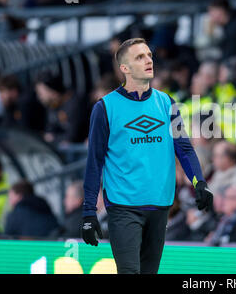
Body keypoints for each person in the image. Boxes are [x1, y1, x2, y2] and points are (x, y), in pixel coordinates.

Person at [81, 38, 213, 274]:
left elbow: (184, 148)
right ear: (125, 68)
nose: (149, 60)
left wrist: (199, 182)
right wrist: (89, 211)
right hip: (123, 207)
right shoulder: (105, 108)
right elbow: (95, 163)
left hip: (160, 205)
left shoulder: (166, 103)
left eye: (150, 55)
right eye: (140, 57)